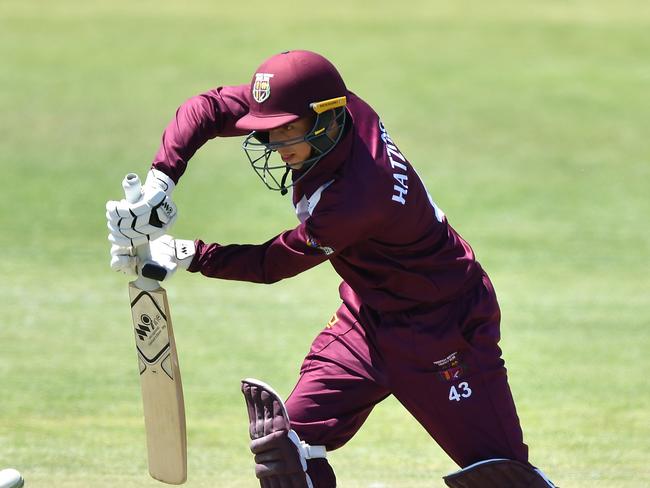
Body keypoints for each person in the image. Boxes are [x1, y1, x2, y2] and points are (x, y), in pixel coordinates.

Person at [106, 50, 557, 488]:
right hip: (367, 318)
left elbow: (272, 263)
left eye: (287, 132)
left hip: (444, 325)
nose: (275, 145)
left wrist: (189, 253)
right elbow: (208, 108)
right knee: (284, 449)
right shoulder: (331, 104)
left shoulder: (360, 196)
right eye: (268, 131)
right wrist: (159, 182)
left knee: (501, 474)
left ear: (326, 120)